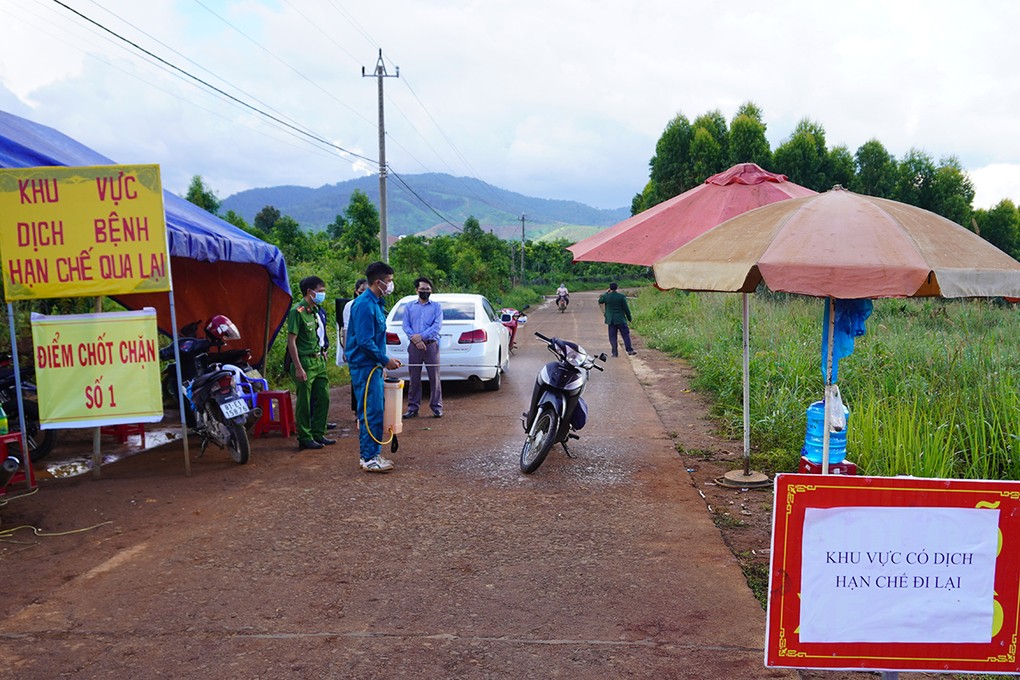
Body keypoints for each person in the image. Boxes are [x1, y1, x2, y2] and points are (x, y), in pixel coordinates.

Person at [346, 262, 401, 473]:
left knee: (377, 410)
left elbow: (376, 339)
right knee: (370, 412)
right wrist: (384, 360)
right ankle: (368, 457)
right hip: (364, 366)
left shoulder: (377, 303)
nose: (391, 285)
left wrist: (383, 362)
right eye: (389, 281)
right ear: (378, 282)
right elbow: (365, 341)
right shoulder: (364, 305)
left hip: (373, 365)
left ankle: (373, 453)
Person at [286, 275, 335, 450]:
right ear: (309, 292)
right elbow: (291, 342)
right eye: (320, 291)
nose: (323, 294)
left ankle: (318, 433)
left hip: (318, 361)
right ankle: (305, 437)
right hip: (304, 362)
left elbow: (317, 336)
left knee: (323, 398)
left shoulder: (314, 311)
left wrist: (322, 351)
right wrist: (298, 367)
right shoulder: (297, 312)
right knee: (304, 403)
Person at [402, 276, 443, 418]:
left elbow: (436, 326)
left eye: (427, 289)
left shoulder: (437, 307)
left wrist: (421, 337)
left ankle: (436, 407)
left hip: (431, 346)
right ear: (416, 290)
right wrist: (416, 339)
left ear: (431, 290)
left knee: (434, 378)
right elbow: (406, 325)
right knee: (414, 378)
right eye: (422, 289)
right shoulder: (409, 306)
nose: (425, 291)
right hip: (414, 347)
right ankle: (413, 408)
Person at [340, 278, 369, 416]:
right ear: (356, 292)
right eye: (361, 291)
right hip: (356, 347)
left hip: (369, 348)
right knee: (357, 380)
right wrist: (346, 350)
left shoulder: (374, 304)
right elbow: (346, 329)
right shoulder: (350, 306)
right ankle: (358, 411)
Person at [598, 282, 636, 357]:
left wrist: (606, 292)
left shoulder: (606, 297)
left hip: (611, 320)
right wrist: (629, 318)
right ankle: (629, 350)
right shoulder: (621, 297)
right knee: (625, 335)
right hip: (621, 319)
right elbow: (626, 309)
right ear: (617, 288)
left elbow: (600, 300)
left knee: (612, 337)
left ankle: (614, 353)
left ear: (610, 288)